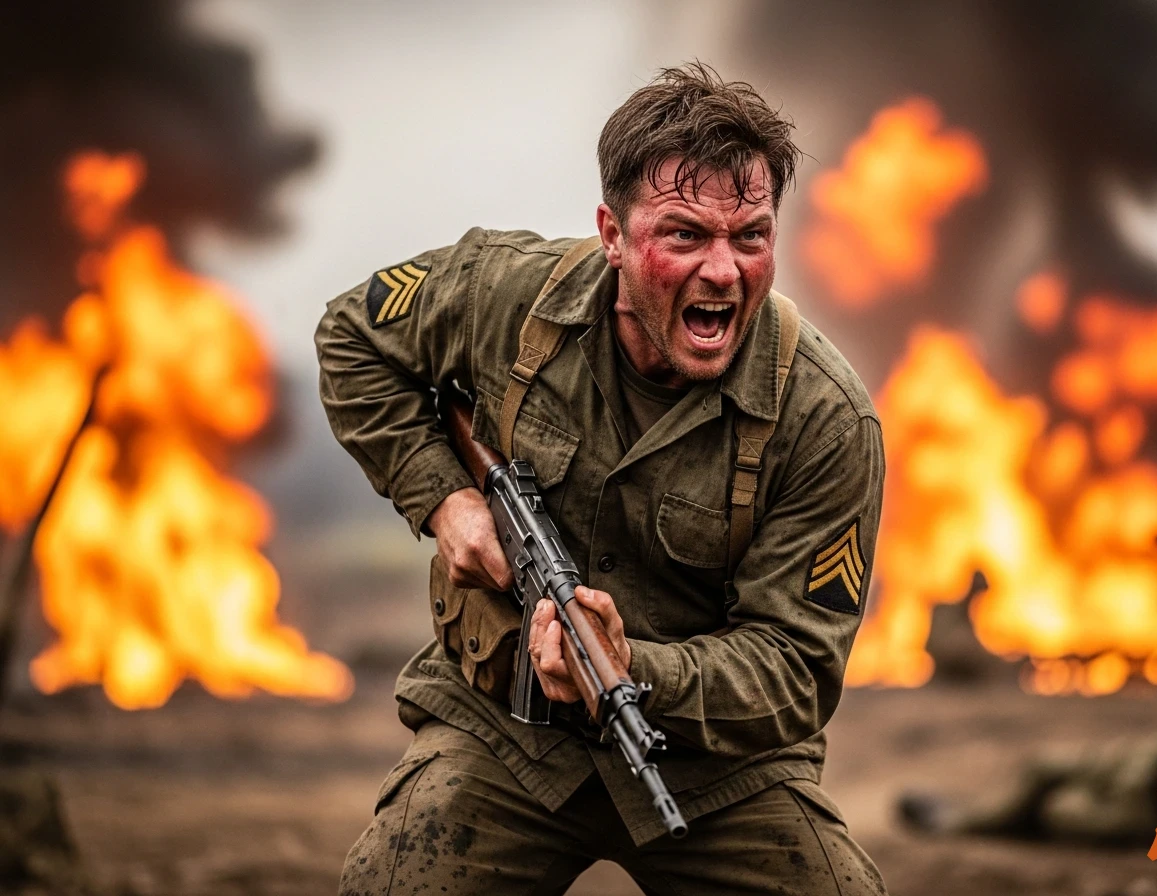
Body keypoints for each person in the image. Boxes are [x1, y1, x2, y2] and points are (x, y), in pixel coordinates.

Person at [316, 62, 887, 895]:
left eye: (751, 236)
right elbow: (351, 336)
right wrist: (444, 497)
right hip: (504, 732)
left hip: (714, 772)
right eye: (685, 234)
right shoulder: (501, 294)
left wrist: (634, 672)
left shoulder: (826, 419)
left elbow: (794, 669)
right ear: (612, 234)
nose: (724, 271)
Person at [897, 671, 1157, 845]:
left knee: (1057, 809)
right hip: (1124, 770)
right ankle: (960, 821)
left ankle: (971, 821)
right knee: (1043, 768)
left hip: (1136, 806)